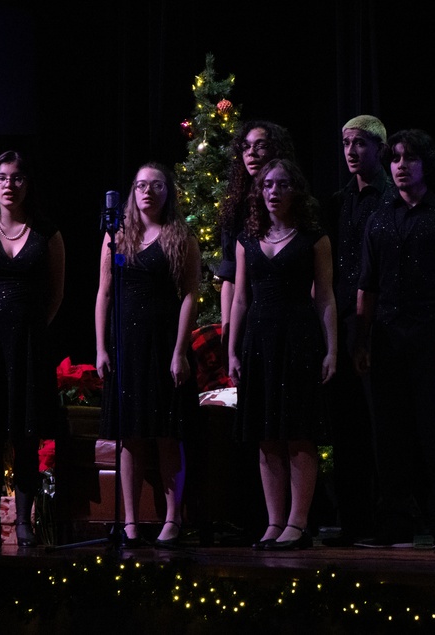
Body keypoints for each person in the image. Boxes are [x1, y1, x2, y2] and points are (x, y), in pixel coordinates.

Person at [354, 129, 435, 550]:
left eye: (410, 158)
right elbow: (366, 287)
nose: (401, 166)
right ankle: (395, 524)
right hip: (387, 338)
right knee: (389, 436)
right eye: (396, 159)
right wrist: (362, 341)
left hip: (431, 338)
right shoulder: (379, 218)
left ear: (426, 164)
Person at [0, 150, 66, 548]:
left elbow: (56, 293)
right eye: (2, 178)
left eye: (17, 178)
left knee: (26, 437)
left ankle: (24, 523)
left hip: (30, 347)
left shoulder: (47, 233)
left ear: (27, 183)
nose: (9, 185)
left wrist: (32, 329)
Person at [228, 158, 337, 551]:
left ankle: (298, 521)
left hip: (299, 339)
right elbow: (240, 299)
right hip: (259, 340)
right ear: (261, 192)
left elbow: (325, 298)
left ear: (295, 191)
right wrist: (233, 351)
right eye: (268, 185)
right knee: (266, 436)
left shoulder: (313, 239)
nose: (274, 192)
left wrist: (332, 350)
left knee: (298, 433)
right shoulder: (247, 240)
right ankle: (274, 522)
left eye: (283, 185)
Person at [96, 162, 202, 549]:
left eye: (156, 186)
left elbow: (190, 293)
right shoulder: (117, 237)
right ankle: (130, 522)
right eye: (141, 185)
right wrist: (100, 348)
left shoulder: (180, 236)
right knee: (130, 437)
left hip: (163, 345)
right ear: (132, 192)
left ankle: (173, 520)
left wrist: (179, 352)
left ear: (167, 192)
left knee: (166, 435)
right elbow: (103, 294)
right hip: (127, 347)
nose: (148, 192)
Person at [321, 115, 394, 546]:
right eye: (346, 143)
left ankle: (388, 520)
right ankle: (353, 522)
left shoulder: (391, 200)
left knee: (380, 427)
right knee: (345, 427)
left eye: (361, 143)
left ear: (380, 149)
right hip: (341, 321)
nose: (351, 151)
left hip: (381, 322)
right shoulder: (337, 201)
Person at [218, 121, 296, 340]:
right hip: (247, 316)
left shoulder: (293, 203)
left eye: (260, 145)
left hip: (288, 316)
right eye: (246, 146)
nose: (251, 152)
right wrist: (227, 326)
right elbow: (229, 275)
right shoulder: (236, 207)